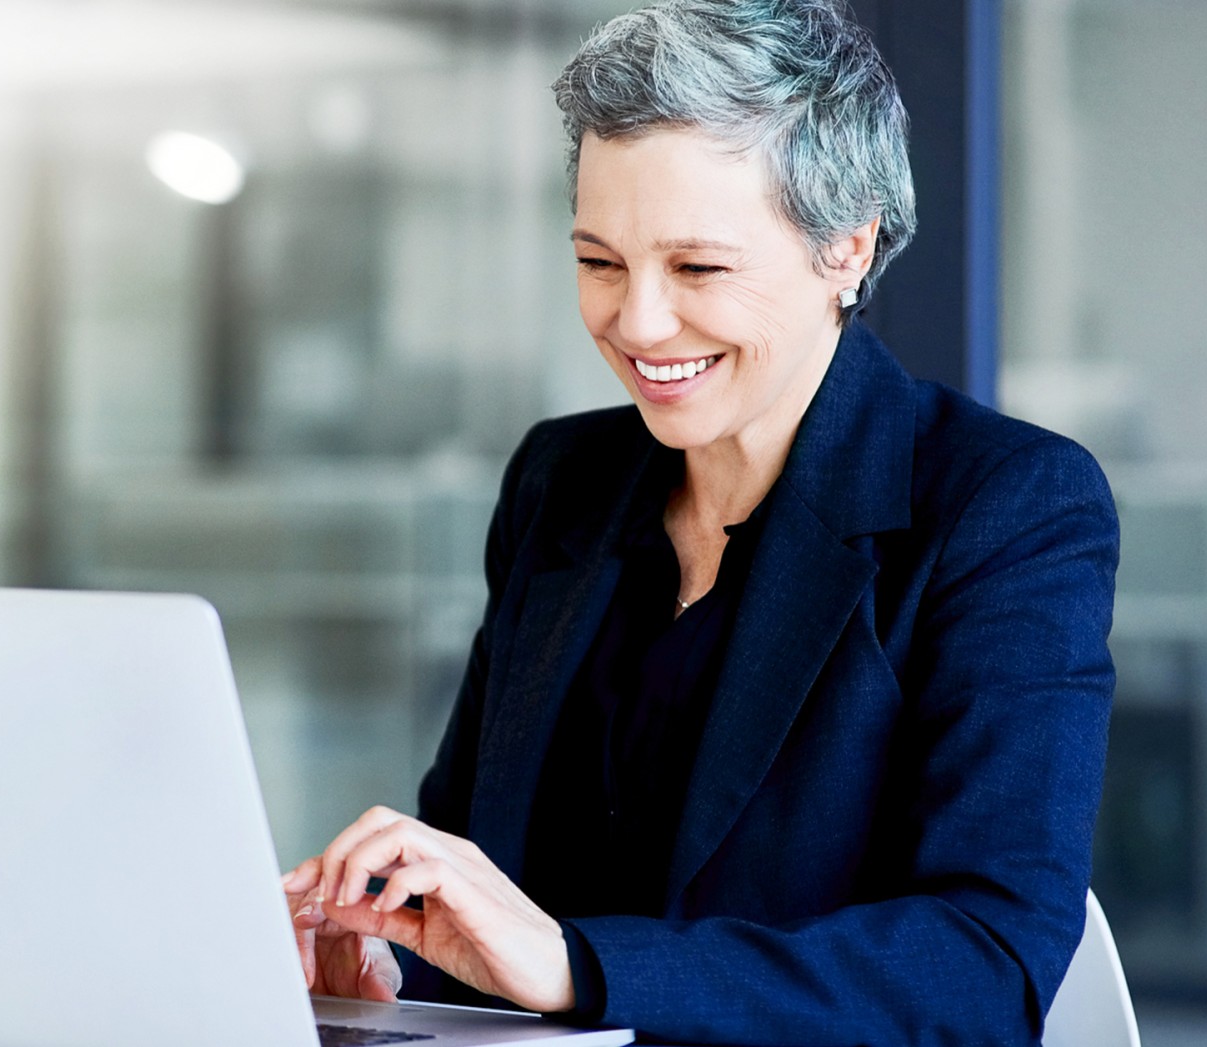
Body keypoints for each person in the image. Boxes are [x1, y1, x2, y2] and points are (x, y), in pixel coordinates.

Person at [280, 2, 1119, 1044]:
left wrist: (579, 968)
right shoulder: (561, 480)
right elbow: (480, 878)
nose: (635, 323)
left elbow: (983, 969)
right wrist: (387, 941)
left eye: (697, 269)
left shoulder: (1003, 506)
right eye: (597, 261)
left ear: (844, 250)